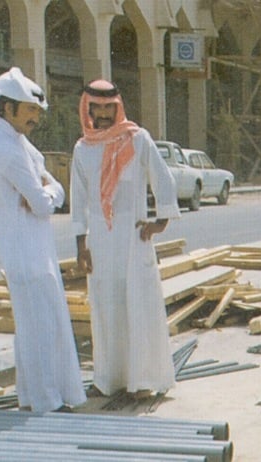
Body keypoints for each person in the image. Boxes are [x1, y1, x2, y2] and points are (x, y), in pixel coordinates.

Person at [0, 67, 86, 412]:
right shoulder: (6, 149)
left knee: (37, 328)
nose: (35, 119)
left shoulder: (18, 143)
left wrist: (48, 189)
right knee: (39, 330)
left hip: (35, 251)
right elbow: (43, 203)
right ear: (7, 108)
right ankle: (47, 402)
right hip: (24, 255)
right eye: (29, 111)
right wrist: (52, 190)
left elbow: (44, 189)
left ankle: (33, 397)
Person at [70, 79, 180, 398]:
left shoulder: (138, 139)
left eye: (108, 107)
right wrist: (81, 245)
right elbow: (78, 200)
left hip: (134, 239)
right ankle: (108, 379)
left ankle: (142, 381)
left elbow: (162, 178)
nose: (102, 114)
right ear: (88, 109)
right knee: (106, 308)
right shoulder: (82, 149)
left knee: (138, 305)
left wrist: (160, 222)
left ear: (117, 107)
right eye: (96, 108)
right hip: (101, 245)